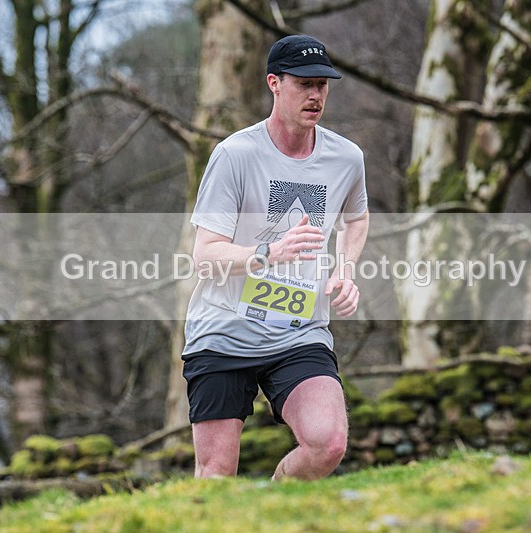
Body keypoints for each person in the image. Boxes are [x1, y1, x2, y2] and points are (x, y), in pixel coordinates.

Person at [182, 34, 369, 480]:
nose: (315, 94)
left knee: (327, 444)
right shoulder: (235, 155)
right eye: (304, 83)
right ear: (274, 83)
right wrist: (268, 253)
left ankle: (271, 510)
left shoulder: (346, 157)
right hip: (224, 330)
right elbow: (204, 256)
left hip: (299, 330)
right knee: (217, 472)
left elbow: (356, 219)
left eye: (323, 84)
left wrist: (344, 273)